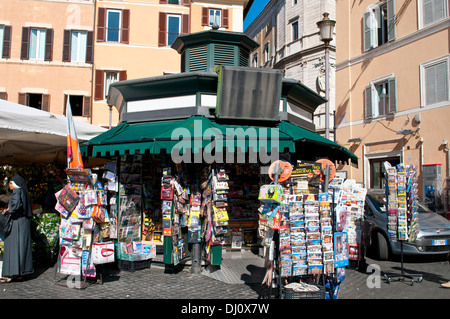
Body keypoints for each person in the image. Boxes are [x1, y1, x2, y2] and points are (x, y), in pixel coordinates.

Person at [0, 175, 34, 283]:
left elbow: (16, 205)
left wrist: (7, 210)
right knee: (22, 247)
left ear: (15, 184)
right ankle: (20, 273)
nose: (9, 185)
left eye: (10, 183)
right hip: (23, 223)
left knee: (13, 246)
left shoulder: (17, 192)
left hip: (17, 223)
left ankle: (10, 273)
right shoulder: (23, 191)